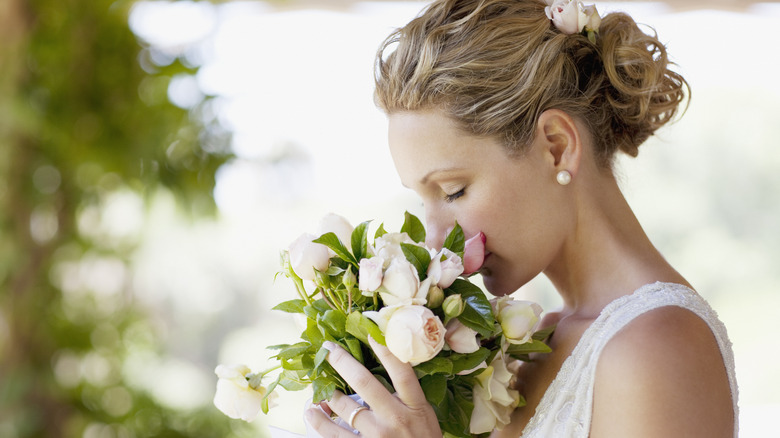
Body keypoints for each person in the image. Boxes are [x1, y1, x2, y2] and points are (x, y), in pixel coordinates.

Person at [305, 0, 738, 436]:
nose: (435, 241)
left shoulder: (656, 346)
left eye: (454, 191)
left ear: (556, 146)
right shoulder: (530, 344)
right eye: (424, 201)